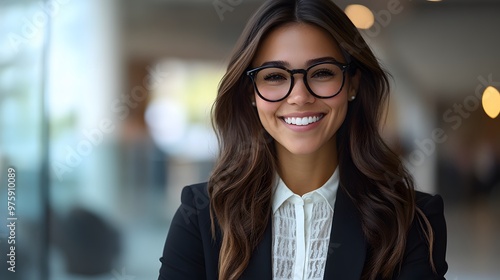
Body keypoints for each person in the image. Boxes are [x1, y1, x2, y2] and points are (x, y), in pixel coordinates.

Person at [158, 0, 448, 279]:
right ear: (250, 93)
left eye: (322, 73)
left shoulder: (413, 221)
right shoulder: (199, 216)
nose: (299, 97)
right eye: (274, 76)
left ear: (352, 84)